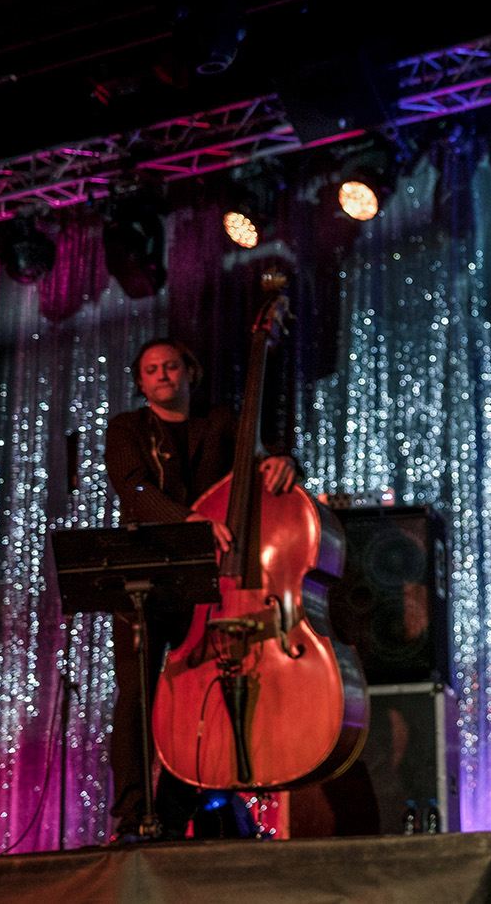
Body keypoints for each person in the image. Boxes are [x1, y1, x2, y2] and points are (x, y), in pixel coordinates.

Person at [103, 337, 296, 838]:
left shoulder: (221, 421)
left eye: (171, 366)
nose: (163, 375)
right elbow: (135, 488)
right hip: (146, 575)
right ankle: (131, 815)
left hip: (208, 582)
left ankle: (175, 807)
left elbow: (257, 463)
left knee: (204, 694)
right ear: (140, 381)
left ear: (190, 372)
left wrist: (281, 463)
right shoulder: (126, 428)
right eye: (152, 369)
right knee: (136, 697)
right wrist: (189, 522)